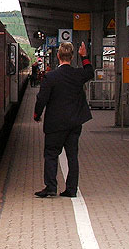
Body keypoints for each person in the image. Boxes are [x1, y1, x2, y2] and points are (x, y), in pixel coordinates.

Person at [33, 41, 94, 198]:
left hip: (56, 124)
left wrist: (36, 115)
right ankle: (71, 189)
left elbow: (42, 99)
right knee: (72, 156)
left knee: (51, 154)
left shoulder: (51, 77)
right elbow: (90, 72)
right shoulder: (78, 74)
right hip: (75, 123)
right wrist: (84, 56)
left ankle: (51, 187)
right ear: (72, 57)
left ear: (58, 56)